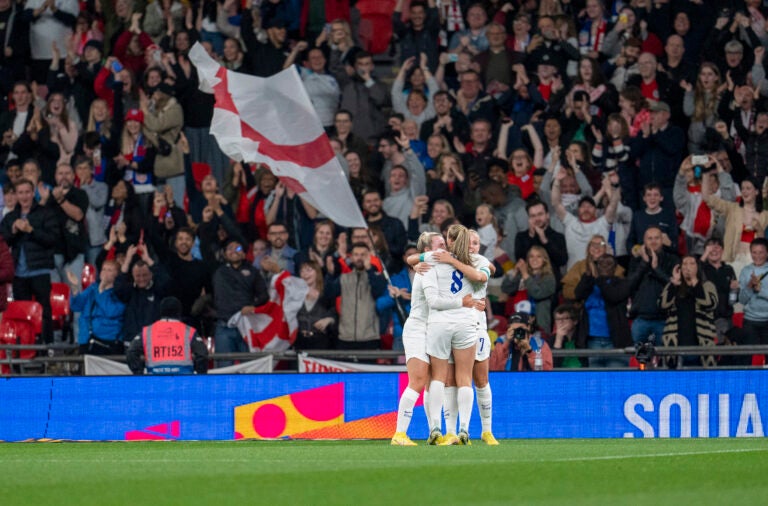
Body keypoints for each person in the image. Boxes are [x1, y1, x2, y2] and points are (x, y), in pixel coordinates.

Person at [422, 225, 487, 445]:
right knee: (464, 379)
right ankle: (464, 429)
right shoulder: (476, 262)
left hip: (439, 324)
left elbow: (432, 300)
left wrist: (419, 260)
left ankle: (436, 429)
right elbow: (483, 277)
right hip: (466, 323)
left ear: (448, 240)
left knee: (438, 378)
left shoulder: (433, 260)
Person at [0, 178, 59, 344]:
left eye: (27, 192)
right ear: (16, 195)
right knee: (21, 313)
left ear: (33, 193)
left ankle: (48, 347)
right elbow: (2, 241)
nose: (24, 196)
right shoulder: (11, 217)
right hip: (19, 273)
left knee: (44, 311)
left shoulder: (45, 213)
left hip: (40, 270)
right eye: (20, 192)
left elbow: (52, 239)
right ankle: (25, 347)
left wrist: (31, 230)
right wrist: (13, 230)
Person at [212, 237, 269, 366]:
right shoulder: (218, 270)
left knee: (249, 367)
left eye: (238, 248)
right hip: (224, 325)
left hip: (246, 325)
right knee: (223, 369)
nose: (234, 251)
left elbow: (264, 296)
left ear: (244, 253)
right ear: (225, 253)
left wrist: (252, 307)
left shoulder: (253, 272)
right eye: (230, 248)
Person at [551, 168, 620, 270]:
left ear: (596, 210)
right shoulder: (570, 222)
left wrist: (615, 186)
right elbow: (556, 203)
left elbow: (613, 204)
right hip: (574, 276)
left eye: (590, 206)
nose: (586, 209)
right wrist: (557, 181)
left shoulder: (603, 223)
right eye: (583, 206)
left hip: (599, 273)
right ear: (578, 210)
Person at [660, 256, 719, 368]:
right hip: (675, 344)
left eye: (692, 264)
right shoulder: (672, 285)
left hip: (702, 343)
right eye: (684, 264)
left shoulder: (707, 285)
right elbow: (662, 305)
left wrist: (695, 283)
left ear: (698, 267)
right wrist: (674, 285)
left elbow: (710, 304)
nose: (688, 267)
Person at [327, 241, 388, 350]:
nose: (359, 258)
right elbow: (329, 294)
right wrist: (330, 274)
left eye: (363, 255)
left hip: (369, 338)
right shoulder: (344, 278)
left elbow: (378, 292)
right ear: (351, 257)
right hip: (345, 338)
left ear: (369, 256)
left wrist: (369, 269)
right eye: (356, 255)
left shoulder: (377, 276)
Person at [126, 296, 208, 374]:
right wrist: (200, 374)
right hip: (183, 379)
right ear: (179, 312)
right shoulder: (189, 331)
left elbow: (131, 352)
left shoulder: (147, 331)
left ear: (161, 311)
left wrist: (139, 373)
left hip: (155, 379)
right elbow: (202, 354)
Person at [628, 226, 679, 345]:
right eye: (649, 238)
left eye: (657, 238)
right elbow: (630, 285)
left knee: (663, 359)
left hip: (664, 319)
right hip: (640, 318)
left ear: (662, 240)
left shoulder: (672, 259)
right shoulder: (636, 260)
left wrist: (656, 269)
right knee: (638, 360)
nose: (653, 241)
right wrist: (644, 264)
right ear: (644, 241)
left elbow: (674, 286)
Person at [114, 244, 172, 345]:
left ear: (151, 274)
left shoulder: (158, 290)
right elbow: (118, 287)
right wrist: (127, 260)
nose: (141, 279)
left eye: (145, 275)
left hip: (155, 340)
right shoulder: (129, 291)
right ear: (133, 276)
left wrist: (148, 259)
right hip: (132, 341)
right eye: (138, 276)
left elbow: (166, 282)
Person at [68, 259, 125, 355]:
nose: (105, 272)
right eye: (103, 269)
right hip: (86, 339)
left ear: (117, 274)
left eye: (109, 270)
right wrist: (74, 288)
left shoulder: (120, 293)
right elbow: (76, 306)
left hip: (107, 342)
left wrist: (101, 291)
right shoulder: (93, 288)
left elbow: (110, 311)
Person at [489, 303, 553, 372]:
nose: (518, 332)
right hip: (508, 381)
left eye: (521, 329)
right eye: (514, 329)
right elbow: (493, 369)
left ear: (528, 327)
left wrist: (529, 351)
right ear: (509, 329)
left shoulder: (540, 344)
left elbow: (547, 371)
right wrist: (506, 344)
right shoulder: (501, 342)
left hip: (532, 381)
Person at [295, 261, 336, 350]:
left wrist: (329, 319)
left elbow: (336, 312)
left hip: (321, 342)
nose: (305, 274)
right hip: (300, 341)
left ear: (317, 273)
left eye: (308, 270)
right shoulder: (295, 294)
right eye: (302, 271)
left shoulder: (327, 293)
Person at [738, 238, 768, 355]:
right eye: (754, 252)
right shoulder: (746, 271)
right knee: (748, 357)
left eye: (761, 252)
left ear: (767, 253)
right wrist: (749, 286)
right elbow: (742, 300)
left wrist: (760, 290)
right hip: (750, 321)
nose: (757, 256)